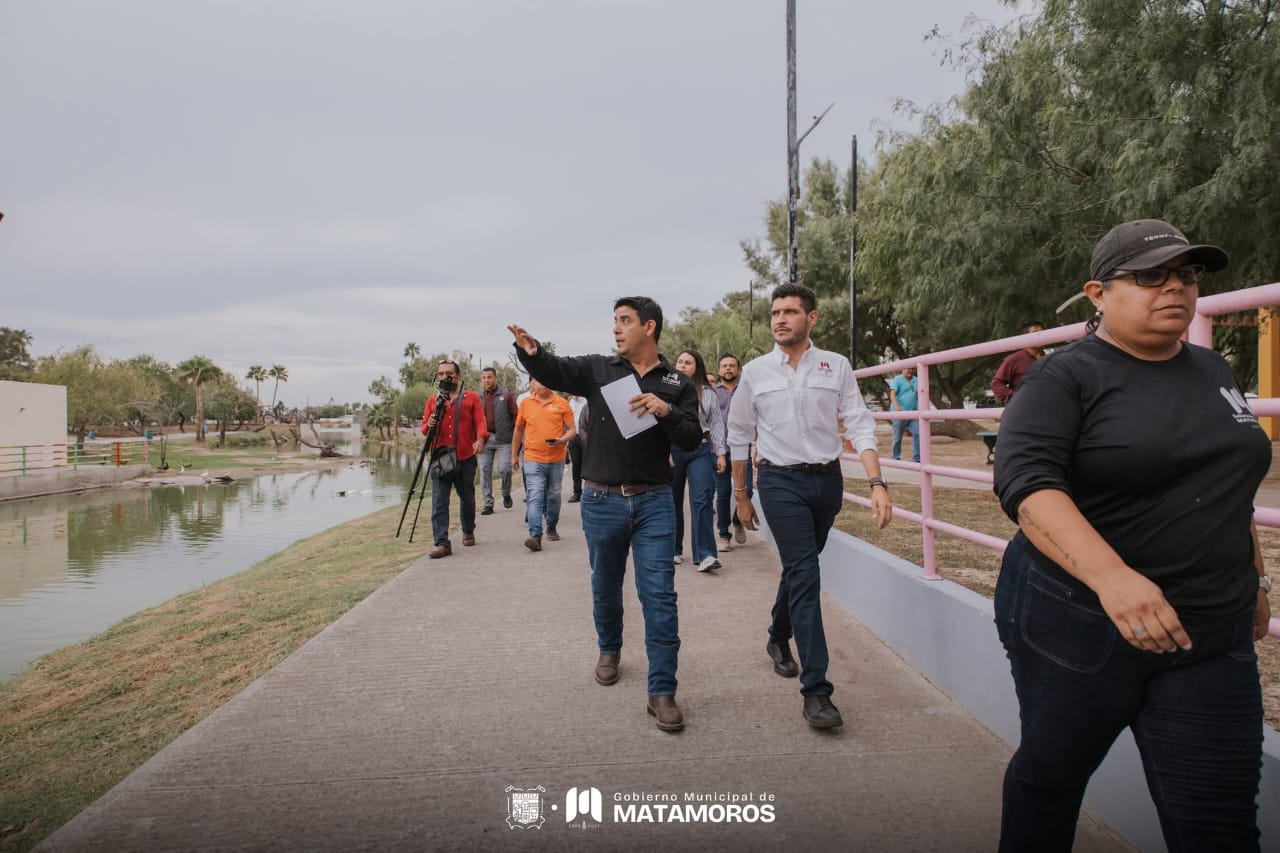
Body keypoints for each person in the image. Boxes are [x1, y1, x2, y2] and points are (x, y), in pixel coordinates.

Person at [993, 219, 1271, 851]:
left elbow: (1228, 483)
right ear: (1098, 293)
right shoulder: (1063, 378)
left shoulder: (1214, 368)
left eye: (1186, 274)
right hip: (1081, 623)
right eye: (1150, 275)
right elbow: (1027, 486)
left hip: (1209, 630)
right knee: (1052, 777)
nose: (1175, 287)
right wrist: (1114, 580)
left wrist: (1255, 577)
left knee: (1219, 824)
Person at [509, 296, 701, 732]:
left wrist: (666, 410)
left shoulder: (676, 382)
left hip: (655, 502)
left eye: (625, 321)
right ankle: (609, 648)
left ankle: (662, 690)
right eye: (615, 320)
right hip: (601, 501)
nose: (616, 328)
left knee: (660, 597)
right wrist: (532, 353)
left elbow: (692, 438)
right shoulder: (598, 369)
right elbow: (555, 370)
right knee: (605, 585)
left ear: (649, 327)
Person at [728, 283, 892, 729]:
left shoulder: (835, 365)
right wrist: (741, 494)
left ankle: (777, 635)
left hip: (826, 483)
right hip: (779, 481)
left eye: (790, 312)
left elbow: (858, 423)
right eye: (775, 313)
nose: (780, 319)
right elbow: (738, 433)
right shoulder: (755, 372)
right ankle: (817, 691)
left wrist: (877, 483)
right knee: (805, 573)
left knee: (800, 568)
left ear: (812, 318)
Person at [420, 360, 489, 559]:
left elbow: (481, 422)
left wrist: (480, 439)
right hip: (441, 458)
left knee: (467, 498)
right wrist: (430, 423)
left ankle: (468, 530)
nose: (445, 377)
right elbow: (424, 430)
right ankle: (442, 543)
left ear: (457, 376)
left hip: (465, 456)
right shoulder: (433, 401)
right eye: (441, 373)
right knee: (439, 501)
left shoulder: (471, 398)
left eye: (449, 373)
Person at [670, 348, 727, 572]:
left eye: (688, 362)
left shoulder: (707, 393)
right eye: (680, 361)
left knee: (702, 499)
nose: (683, 366)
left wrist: (720, 452)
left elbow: (716, 424)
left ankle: (705, 555)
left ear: (697, 367)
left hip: (700, 448)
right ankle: (674, 550)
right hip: (673, 449)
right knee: (672, 500)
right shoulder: (668, 390)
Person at [511, 377, 575, 551]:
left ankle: (551, 526)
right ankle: (535, 535)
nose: (542, 383)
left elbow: (572, 430)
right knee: (535, 495)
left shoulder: (561, 403)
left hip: (556, 459)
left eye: (545, 379)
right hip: (533, 457)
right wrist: (514, 455)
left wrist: (561, 440)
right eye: (538, 380)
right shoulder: (526, 403)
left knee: (554, 495)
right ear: (532, 384)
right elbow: (518, 430)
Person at [712, 354, 751, 552]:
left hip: (742, 449)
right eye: (724, 366)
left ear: (738, 369)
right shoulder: (712, 392)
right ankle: (723, 535)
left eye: (732, 366)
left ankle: (737, 519)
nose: (728, 368)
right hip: (719, 450)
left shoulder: (746, 390)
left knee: (747, 489)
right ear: (719, 370)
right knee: (723, 493)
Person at [477, 367, 517, 515]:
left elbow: (516, 416)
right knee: (484, 470)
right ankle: (488, 503)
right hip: (485, 439)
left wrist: (515, 436)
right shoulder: (478, 396)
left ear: (495, 378)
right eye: (484, 377)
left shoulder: (506, 394)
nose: (487, 380)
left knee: (505, 469)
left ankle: (506, 493)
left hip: (504, 439)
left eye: (489, 377)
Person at [990, 320, 1046, 404]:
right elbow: (996, 384)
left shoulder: (1048, 359)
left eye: (1042, 333)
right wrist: (1017, 398)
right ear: (1025, 337)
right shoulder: (1014, 359)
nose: (1040, 336)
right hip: (1023, 408)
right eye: (1035, 333)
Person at [888, 366, 920, 464]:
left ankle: (917, 458)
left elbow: (920, 394)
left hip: (913, 413)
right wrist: (896, 406)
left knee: (918, 433)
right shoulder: (898, 379)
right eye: (907, 368)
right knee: (897, 436)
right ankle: (895, 457)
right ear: (902, 369)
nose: (910, 371)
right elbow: (892, 394)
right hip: (900, 413)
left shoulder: (917, 380)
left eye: (912, 369)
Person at [566, 393, 588, 503]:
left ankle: (588, 491)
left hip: (586, 436)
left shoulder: (586, 400)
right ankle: (577, 492)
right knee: (576, 466)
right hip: (574, 437)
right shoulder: (570, 403)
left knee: (587, 464)